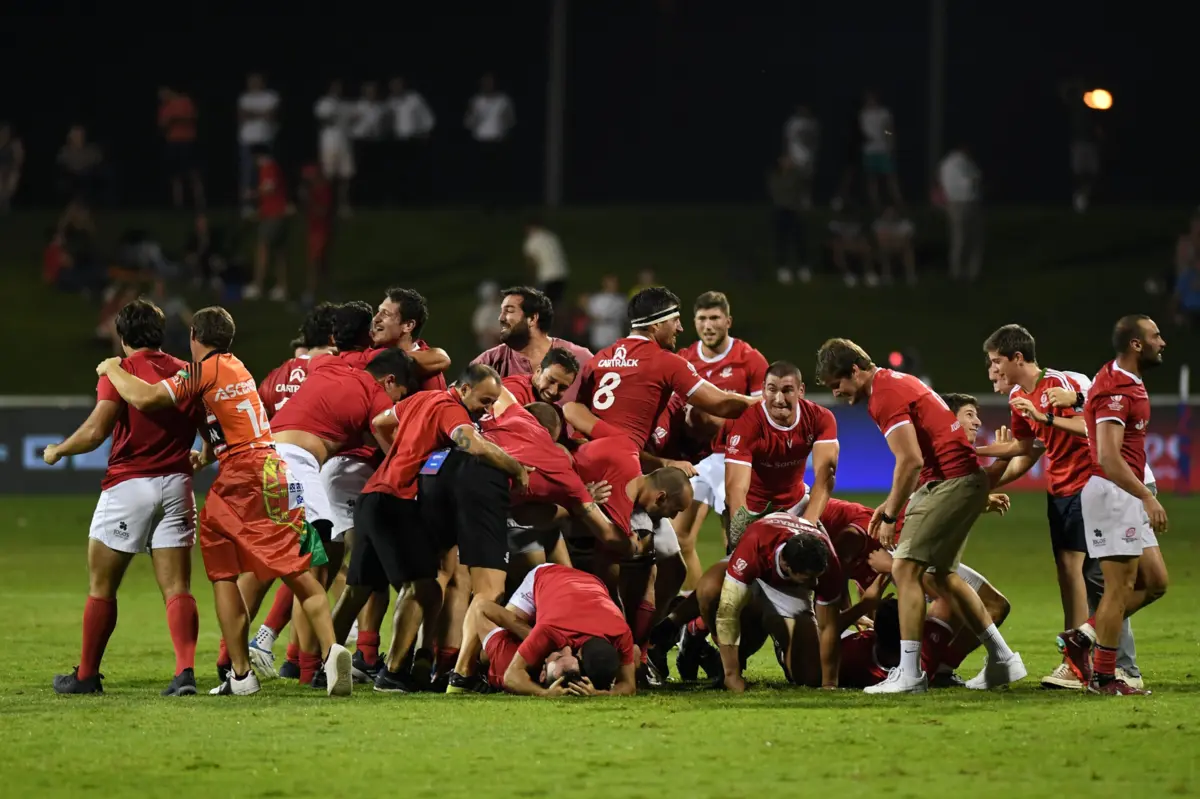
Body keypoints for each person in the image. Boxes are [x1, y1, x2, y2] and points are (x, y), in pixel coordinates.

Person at [94, 306, 354, 697]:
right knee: (299, 567)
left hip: (240, 478)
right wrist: (207, 452)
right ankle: (333, 649)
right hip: (275, 470)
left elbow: (146, 399)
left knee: (223, 573)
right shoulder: (239, 368)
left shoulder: (202, 370)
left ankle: (241, 674)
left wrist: (112, 367)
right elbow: (231, 420)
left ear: (195, 337)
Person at [815, 337, 1025, 693]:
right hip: (959, 481)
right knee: (941, 576)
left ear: (854, 370)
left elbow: (910, 460)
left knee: (905, 568)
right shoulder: (896, 382)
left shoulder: (883, 395)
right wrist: (891, 503)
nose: (836, 393)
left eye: (838, 384)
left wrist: (892, 514)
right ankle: (1002, 658)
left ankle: (909, 673)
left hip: (949, 482)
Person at [330, 364, 531, 692]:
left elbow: (380, 422)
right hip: (397, 501)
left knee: (357, 590)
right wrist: (515, 468)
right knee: (423, 587)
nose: (488, 407)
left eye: (493, 401)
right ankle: (393, 674)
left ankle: (319, 664)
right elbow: (473, 444)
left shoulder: (421, 399)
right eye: (484, 399)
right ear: (463, 389)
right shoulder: (451, 410)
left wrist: (396, 457)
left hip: (372, 496)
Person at [48, 300, 200, 696]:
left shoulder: (121, 370)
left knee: (102, 585)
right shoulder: (187, 371)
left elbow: (97, 431)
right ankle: (184, 672)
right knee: (178, 588)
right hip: (178, 487)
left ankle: (85, 676)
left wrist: (59, 449)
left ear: (122, 336)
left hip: (130, 486)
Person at [259, 348, 415, 685]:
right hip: (295, 461)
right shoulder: (376, 397)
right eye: (398, 394)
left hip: (268, 455)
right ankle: (316, 663)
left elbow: (311, 357)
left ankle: (250, 660)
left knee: (285, 565)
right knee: (316, 562)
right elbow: (392, 447)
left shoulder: (329, 364)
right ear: (389, 380)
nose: (394, 402)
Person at [976, 324, 1099, 690]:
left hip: (1086, 484)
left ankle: (1078, 662)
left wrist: (1045, 416)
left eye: (997, 360)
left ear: (1017, 358)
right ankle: (1084, 657)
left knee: (1081, 572)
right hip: (1058, 489)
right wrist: (978, 455)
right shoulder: (1018, 397)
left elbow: (1091, 424)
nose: (993, 368)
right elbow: (1026, 448)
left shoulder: (1062, 383)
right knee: (1068, 572)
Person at [1060, 315, 1170, 695]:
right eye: (1156, 336)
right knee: (1117, 588)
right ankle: (1105, 679)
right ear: (1136, 344)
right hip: (1113, 493)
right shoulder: (1116, 390)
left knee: (1155, 583)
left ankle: (1085, 636)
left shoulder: (1121, 379)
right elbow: (1107, 456)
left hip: (1124, 493)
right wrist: (1145, 494)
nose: (1163, 342)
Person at [671, 290, 768, 586]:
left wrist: (716, 417)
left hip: (735, 458)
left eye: (715, 318)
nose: (708, 325)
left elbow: (762, 416)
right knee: (678, 538)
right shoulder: (683, 359)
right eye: (702, 318)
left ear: (728, 321)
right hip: (698, 460)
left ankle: (735, 608)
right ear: (693, 322)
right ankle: (698, 609)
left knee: (736, 539)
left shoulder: (749, 359)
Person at [706, 512, 839, 692]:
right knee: (710, 591)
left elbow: (828, 626)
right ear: (785, 565)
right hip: (755, 572)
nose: (815, 584)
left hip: (789, 588)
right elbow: (728, 612)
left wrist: (829, 683)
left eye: (817, 577)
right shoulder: (755, 545)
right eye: (809, 578)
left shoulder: (828, 561)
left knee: (810, 677)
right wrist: (732, 676)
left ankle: (781, 641)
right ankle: (693, 636)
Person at [494, 564, 637, 697]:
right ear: (578, 654)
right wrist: (544, 693)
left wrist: (601, 693)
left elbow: (629, 685)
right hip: (546, 575)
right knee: (496, 642)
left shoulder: (622, 632)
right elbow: (511, 676)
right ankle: (473, 672)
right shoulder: (551, 629)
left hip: (591, 582)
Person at [472, 286, 593, 403]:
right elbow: (456, 399)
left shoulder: (582, 360)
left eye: (509, 311)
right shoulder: (489, 361)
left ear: (532, 319)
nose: (501, 318)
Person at [244, 146, 291, 302]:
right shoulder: (274, 166)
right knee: (279, 253)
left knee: (263, 249)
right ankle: (282, 288)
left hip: (273, 216)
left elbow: (269, 188)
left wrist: (253, 193)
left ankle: (258, 286)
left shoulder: (267, 167)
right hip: (279, 214)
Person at [938, 145, 983, 282]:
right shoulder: (962, 162)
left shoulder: (944, 164)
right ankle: (970, 272)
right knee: (972, 239)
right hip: (967, 202)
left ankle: (957, 272)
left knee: (958, 238)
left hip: (952, 203)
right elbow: (971, 180)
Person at [238, 73, 280, 216]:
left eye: (257, 81)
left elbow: (272, 115)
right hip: (247, 140)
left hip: (265, 138)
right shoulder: (244, 98)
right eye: (252, 81)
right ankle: (247, 206)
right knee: (248, 174)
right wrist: (261, 114)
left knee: (266, 174)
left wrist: (252, 114)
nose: (254, 84)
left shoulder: (270, 96)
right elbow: (242, 116)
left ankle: (266, 204)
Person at [158, 86, 204, 210]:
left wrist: (177, 119)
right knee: (175, 176)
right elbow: (162, 124)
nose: (162, 96)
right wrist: (170, 122)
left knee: (193, 174)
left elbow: (192, 117)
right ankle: (178, 205)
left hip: (188, 141)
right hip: (172, 142)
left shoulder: (185, 101)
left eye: (163, 92)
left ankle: (199, 203)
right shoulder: (165, 107)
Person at [523, 222, 569, 312]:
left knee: (544, 305)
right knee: (558, 302)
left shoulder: (532, 241)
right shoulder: (551, 236)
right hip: (561, 273)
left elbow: (532, 262)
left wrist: (531, 280)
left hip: (546, 276)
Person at [586, 275, 625, 351]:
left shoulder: (621, 300)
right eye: (610, 282)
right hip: (600, 336)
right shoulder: (596, 299)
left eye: (615, 282)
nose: (613, 285)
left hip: (614, 335)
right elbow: (592, 315)